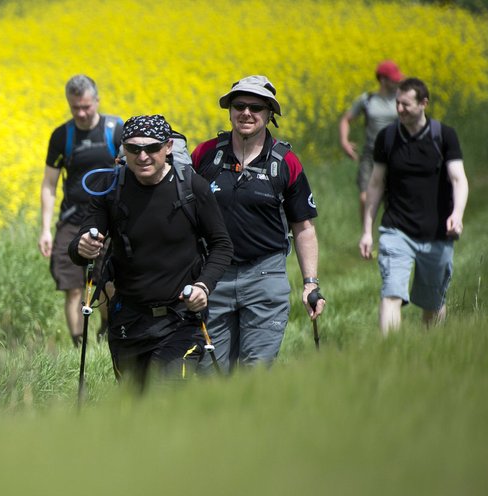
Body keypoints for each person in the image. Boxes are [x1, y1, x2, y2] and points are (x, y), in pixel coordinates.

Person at [69, 115, 233, 391]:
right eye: (133, 149)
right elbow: (80, 248)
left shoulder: (192, 188)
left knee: (164, 398)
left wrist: (204, 286)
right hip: (128, 322)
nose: (142, 156)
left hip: (180, 320)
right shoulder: (111, 189)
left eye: (152, 148)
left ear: (168, 147)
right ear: (123, 149)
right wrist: (83, 246)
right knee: (134, 410)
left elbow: (222, 245)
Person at [192, 75, 325, 372]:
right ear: (229, 110)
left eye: (256, 107)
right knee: (209, 373)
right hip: (214, 276)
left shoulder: (286, 162)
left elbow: (303, 228)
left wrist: (310, 283)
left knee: (255, 373)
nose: (246, 113)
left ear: (269, 114)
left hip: (265, 275)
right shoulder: (205, 155)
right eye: (239, 105)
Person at [358, 77, 468, 335]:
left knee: (433, 303)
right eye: (397, 104)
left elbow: (458, 179)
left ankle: (431, 353)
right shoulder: (387, 138)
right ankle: (391, 355)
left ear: (423, 104)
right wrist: (367, 230)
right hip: (396, 229)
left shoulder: (444, 136)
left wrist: (457, 214)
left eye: (406, 104)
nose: (399, 110)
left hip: (437, 233)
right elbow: (375, 184)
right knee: (391, 293)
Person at [40, 75, 123, 346]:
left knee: (108, 284)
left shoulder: (115, 129)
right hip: (73, 220)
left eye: (87, 106)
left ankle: (106, 333)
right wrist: (45, 229)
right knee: (73, 287)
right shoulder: (62, 135)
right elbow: (49, 185)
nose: (82, 113)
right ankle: (79, 344)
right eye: (75, 107)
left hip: (111, 220)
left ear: (97, 101)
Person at [339, 60, 404, 220]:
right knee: (365, 197)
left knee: (395, 199)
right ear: (382, 80)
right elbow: (346, 120)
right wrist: (344, 142)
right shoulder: (367, 100)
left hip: (396, 154)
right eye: (393, 78)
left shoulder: (401, 99)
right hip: (371, 154)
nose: (397, 81)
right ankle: (367, 236)